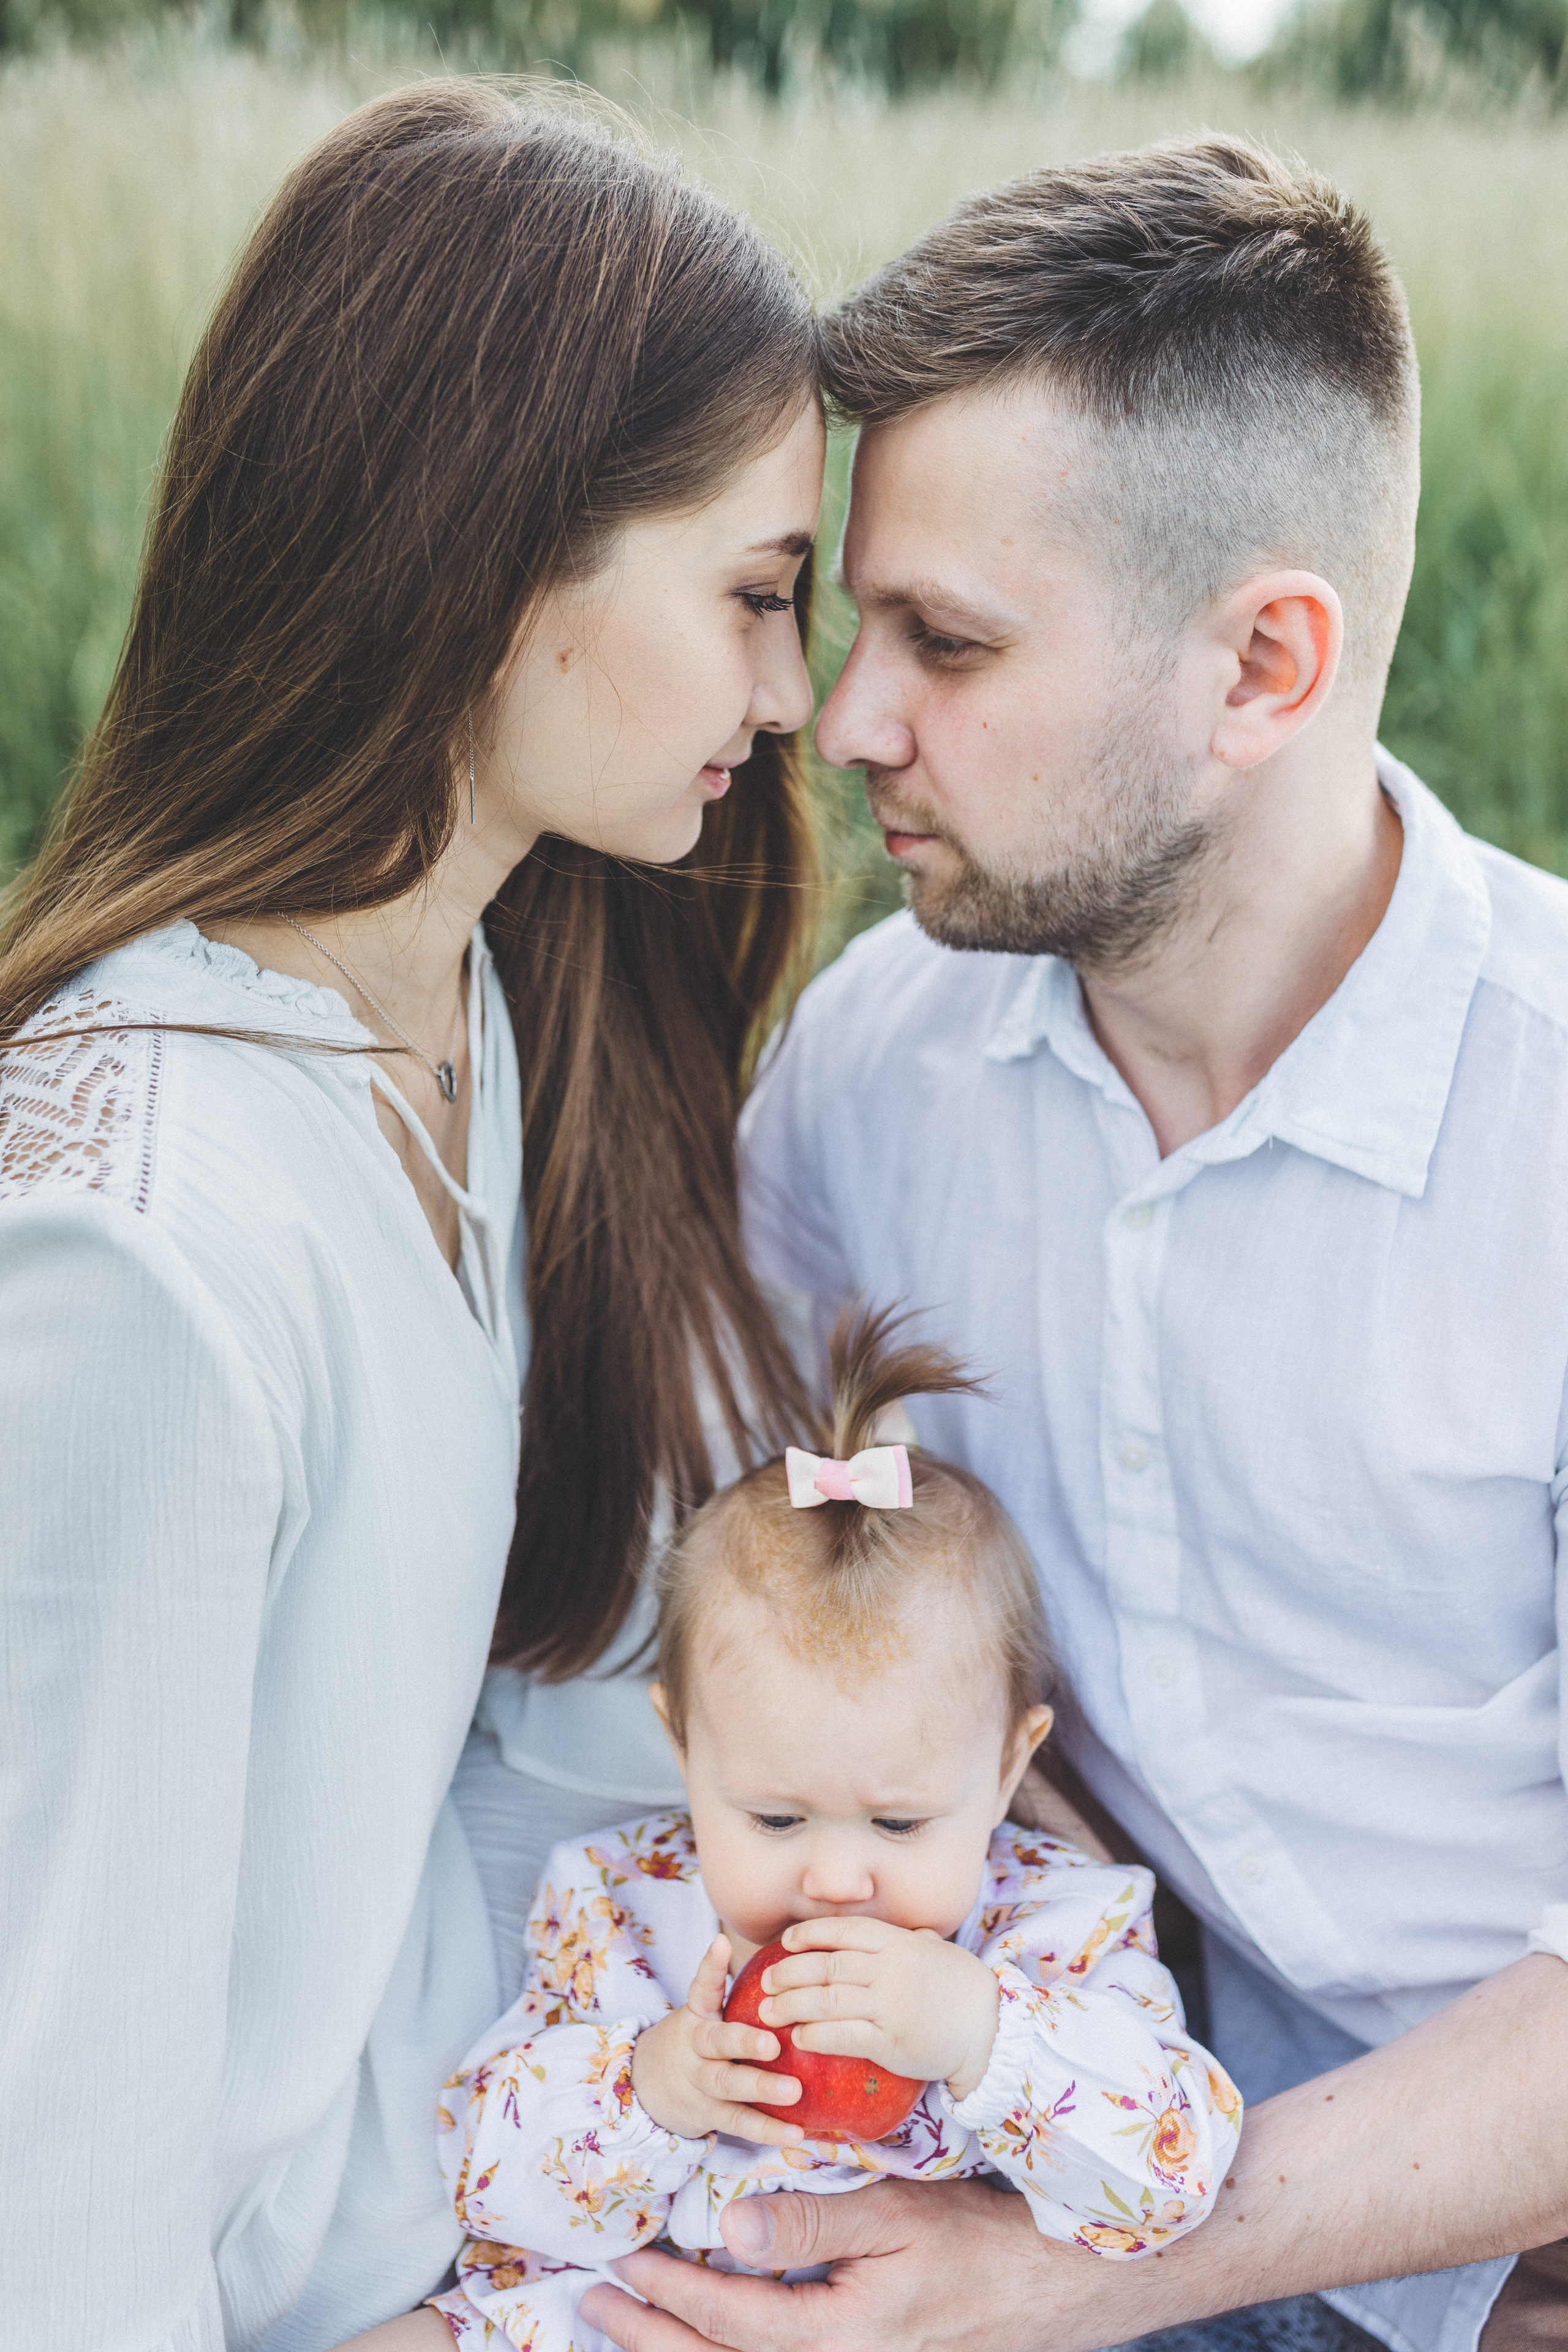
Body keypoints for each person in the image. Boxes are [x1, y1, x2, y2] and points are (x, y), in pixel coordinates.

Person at [576, 138, 1568, 2352]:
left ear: (1265, 664)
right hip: (1088, 2114)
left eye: (950, 642)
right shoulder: (875, 1070)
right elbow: (766, 1578)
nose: (845, 723)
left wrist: (1078, 2281)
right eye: (855, 627)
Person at [0, 81, 826, 2352]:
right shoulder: (135, 1256)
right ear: (499, 551)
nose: (792, 691)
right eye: (755, 592)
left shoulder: (481, 998)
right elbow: (51, 2192)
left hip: (517, 2220)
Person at [428, 1309, 1241, 2350]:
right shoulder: (618, 1908)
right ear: (686, 1751)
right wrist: (649, 2090)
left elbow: (1176, 2178)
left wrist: (982, 2034)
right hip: (634, 2320)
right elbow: (485, 2181)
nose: (837, 1877)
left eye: (899, 1823)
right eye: (774, 1815)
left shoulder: (1055, 1928)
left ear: (1007, 1767)